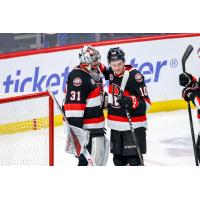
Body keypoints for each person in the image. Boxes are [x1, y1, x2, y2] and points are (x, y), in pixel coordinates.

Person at [101, 47, 151, 166]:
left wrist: (130, 101)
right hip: (115, 127)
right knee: (118, 162)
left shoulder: (135, 76)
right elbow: (103, 70)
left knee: (134, 161)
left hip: (133, 126)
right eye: (113, 65)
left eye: (119, 64)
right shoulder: (112, 73)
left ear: (124, 62)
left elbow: (147, 104)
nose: (117, 68)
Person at [63, 45, 108, 166]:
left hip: (96, 128)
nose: (97, 62)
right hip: (86, 132)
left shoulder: (92, 73)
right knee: (86, 164)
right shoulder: (78, 78)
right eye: (94, 60)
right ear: (86, 60)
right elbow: (74, 110)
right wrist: (77, 138)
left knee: (98, 163)